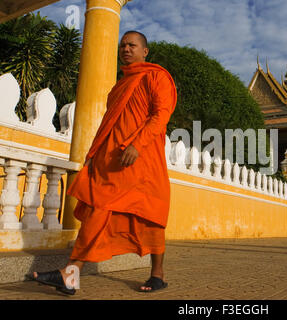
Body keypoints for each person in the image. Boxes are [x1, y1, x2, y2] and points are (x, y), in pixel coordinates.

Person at [28, 31, 177, 295]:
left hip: (141, 160)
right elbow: (110, 124)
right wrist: (94, 154)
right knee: (100, 210)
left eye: (132, 45)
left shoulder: (157, 76)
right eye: (123, 45)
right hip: (111, 162)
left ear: (145, 51)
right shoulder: (119, 87)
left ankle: (157, 274)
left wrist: (137, 144)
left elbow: (160, 116)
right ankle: (71, 274)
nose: (126, 49)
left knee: (150, 217)